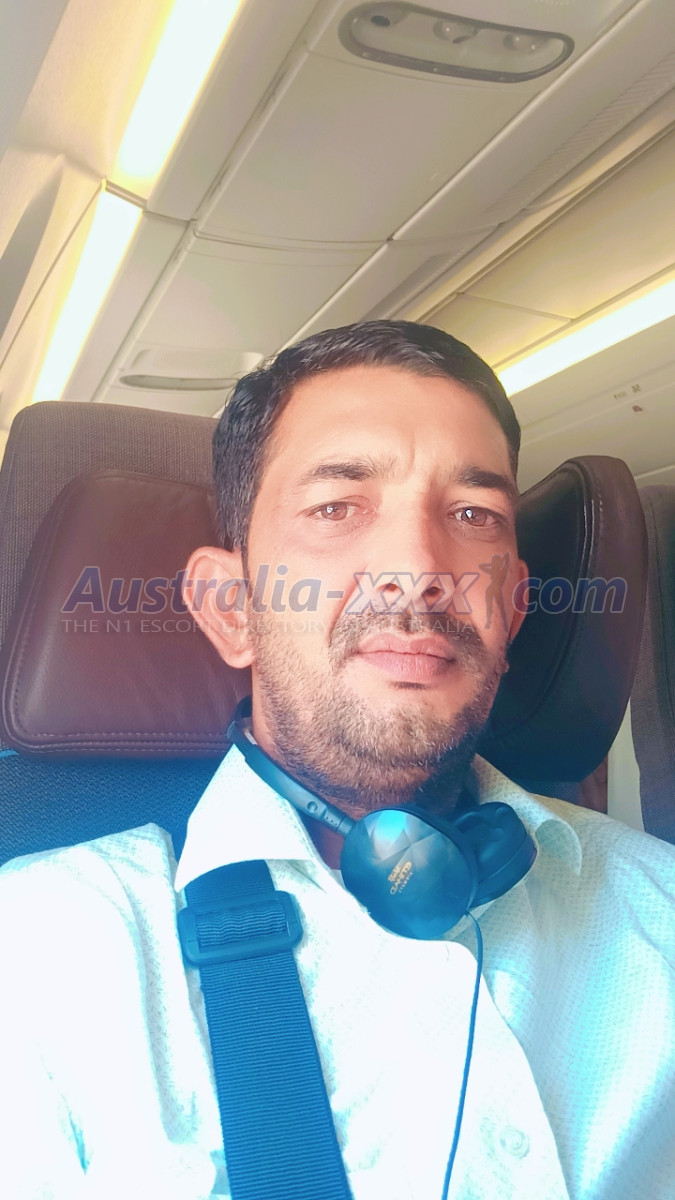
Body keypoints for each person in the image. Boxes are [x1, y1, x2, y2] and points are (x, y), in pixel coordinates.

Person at [0, 321, 673, 1200]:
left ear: (511, 612)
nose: (418, 569)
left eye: (472, 515)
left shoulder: (657, 904)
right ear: (231, 608)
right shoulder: (45, 952)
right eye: (337, 507)